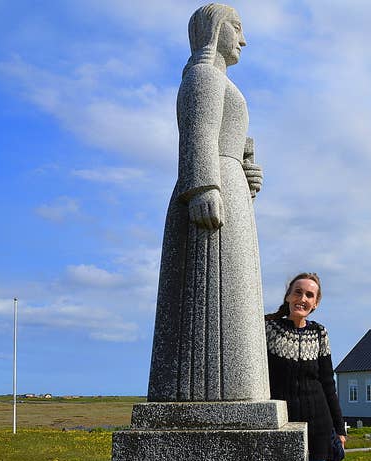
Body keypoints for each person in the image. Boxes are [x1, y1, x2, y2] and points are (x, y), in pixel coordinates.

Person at [147, 3, 267, 402]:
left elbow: (223, 139)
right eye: (237, 28)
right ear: (216, 30)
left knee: (239, 293)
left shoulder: (220, 82)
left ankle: (242, 388)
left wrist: (244, 172)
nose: (243, 39)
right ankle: (214, 391)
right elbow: (197, 133)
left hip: (229, 185)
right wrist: (202, 188)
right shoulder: (202, 76)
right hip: (211, 192)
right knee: (216, 292)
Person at [265, 273, 347, 461]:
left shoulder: (320, 333)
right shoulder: (268, 329)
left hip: (319, 427)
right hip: (281, 425)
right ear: (288, 296)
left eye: (309, 295)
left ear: (315, 303)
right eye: (298, 292)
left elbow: (328, 384)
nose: (302, 299)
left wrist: (339, 428)